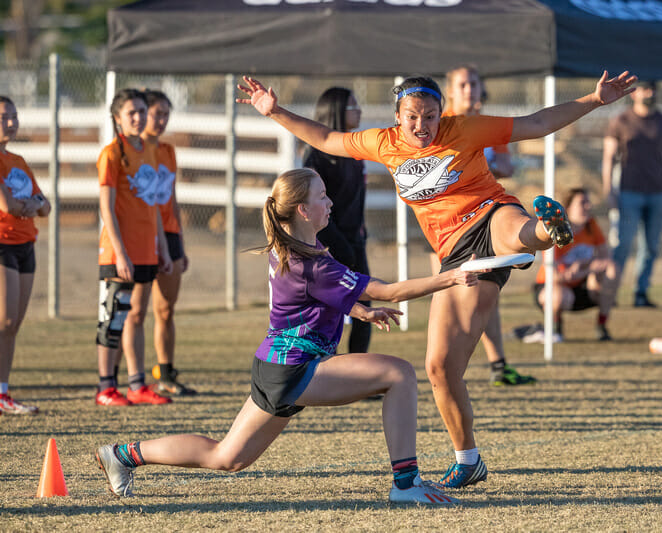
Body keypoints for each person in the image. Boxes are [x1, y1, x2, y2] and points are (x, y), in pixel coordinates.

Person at [236, 69, 636, 488]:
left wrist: (594, 100)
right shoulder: (383, 142)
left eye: (429, 116)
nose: (422, 125)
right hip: (454, 254)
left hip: (491, 213)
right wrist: (275, 110)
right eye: (412, 116)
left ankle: (546, 229)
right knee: (439, 368)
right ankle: (469, 460)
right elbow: (326, 139)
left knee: (512, 230)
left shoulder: (463, 129)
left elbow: (536, 124)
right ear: (397, 115)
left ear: (441, 113)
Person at [95, 168, 479, 504]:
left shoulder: (289, 248)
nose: (330, 202)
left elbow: (313, 298)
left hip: (274, 367)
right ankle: (406, 483)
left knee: (227, 457)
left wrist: (359, 309)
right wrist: (451, 276)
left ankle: (123, 455)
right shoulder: (312, 262)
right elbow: (387, 289)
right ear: (303, 210)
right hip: (296, 370)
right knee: (399, 374)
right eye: (322, 196)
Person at [440, 64, 534, 387]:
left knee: (487, 295)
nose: (469, 90)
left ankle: (497, 365)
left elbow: (507, 165)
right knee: (453, 299)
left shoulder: (490, 125)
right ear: (450, 91)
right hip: (449, 226)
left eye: (474, 84)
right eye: (462, 84)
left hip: (485, 220)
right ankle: (447, 371)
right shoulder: (439, 124)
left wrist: (488, 162)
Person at [95, 88, 173, 407]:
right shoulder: (112, 153)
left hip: (146, 250)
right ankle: (105, 387)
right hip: (119, 253)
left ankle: (136, 384)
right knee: (113, 317)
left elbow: (152, 206)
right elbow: (106, 207)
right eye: (132, 113)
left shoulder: (148, 150)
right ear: (117, 118)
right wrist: (121, 253)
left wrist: (163, 249)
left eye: (142, 111)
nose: (139, 118)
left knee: (135, 318)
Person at [302, 87, 371, 354]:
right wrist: (339, 246)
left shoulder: (354, 150)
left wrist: (359, 235)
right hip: (330, 246)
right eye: (353, 107)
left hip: (356, 242)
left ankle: (359, 374)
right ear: (336, 112)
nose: (359, 111)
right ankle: (323, 374)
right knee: (330, 313)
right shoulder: (316, 158)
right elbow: (311, 208)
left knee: (365, 310)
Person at [602, 80, 662, 308]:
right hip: (629, 193)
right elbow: (608, 158)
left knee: (651, 246)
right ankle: (611, 292)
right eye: (645, 89)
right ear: (634, 94)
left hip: (657, 193)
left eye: (653, 89)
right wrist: (609, 190)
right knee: (623, 244)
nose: (650, 93)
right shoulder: (621, 120)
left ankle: (641, 292)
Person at [142, 89, 196, 396]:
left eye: (166, 114)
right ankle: (131, 378)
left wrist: (181, 243)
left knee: (166, 310)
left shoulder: (168, 151)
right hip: (143, 234)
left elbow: (171, 198)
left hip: (170, 234)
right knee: (135, 312)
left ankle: (165, 373)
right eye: (156, 113)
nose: (161, 120)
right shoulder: (135, 151)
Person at [0, 96, 51, 415]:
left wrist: (33, 205)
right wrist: (30, 205)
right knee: (4, 318)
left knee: (13, 324)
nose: (11, 122)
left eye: (14, 116)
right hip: (2, 242)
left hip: (25, 243)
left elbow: (45, 205)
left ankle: (3, 393)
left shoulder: (18, 160)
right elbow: (7, 205)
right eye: (4, 117)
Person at [529, 187, 616, 343]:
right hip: (552, 288)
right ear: (568, 208)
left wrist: (586, 268)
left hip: (580, 286)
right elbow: (555, 277)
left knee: (612, 269)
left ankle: (602, 325)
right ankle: (555, 328)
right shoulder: (555, 229)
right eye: (582, 203)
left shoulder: (591, 225)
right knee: (560, 296)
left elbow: (605, 257)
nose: (588, 207)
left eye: (588, 202)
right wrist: (585, 269)